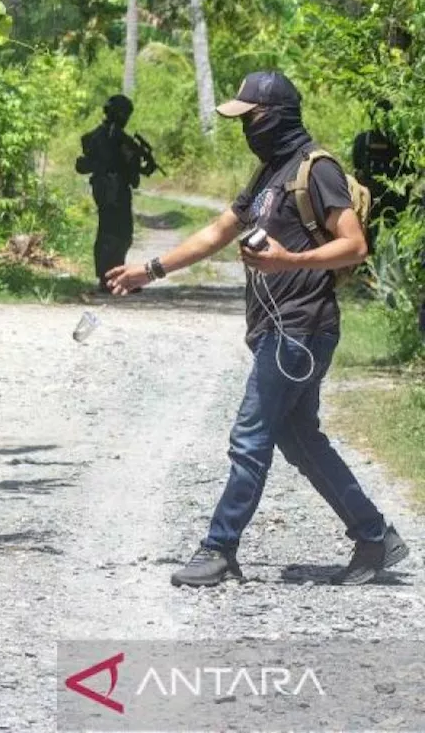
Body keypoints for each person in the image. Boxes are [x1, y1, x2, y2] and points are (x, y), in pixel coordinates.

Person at [106, 70, 409, 588]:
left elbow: (355, 244)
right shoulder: (268, 174)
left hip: (302, 328)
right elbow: (217, 232)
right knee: (299, 439)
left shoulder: (318, 170)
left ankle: (220, 547)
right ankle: (375, 535)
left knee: (250, 437)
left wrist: (289, 260)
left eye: (250, 117)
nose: (245, 126)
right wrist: (150, 270)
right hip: (277, 329)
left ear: (275, 116)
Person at [76, 94, 160, 290]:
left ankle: (115, 277)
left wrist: (141, 165)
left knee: (119, 232)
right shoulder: (108, 136)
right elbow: (115, 162)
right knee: (114, 233)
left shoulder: (112, 136)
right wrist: (138, 164)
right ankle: (109, 279)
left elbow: (125, 165)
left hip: (112, 188)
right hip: (111, 189)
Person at [351, 99, 409, 252]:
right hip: (383, 197)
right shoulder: (398, 141)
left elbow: (357, 167)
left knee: (385, 238)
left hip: (382, 197)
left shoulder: (363, 140)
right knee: (390, 237)